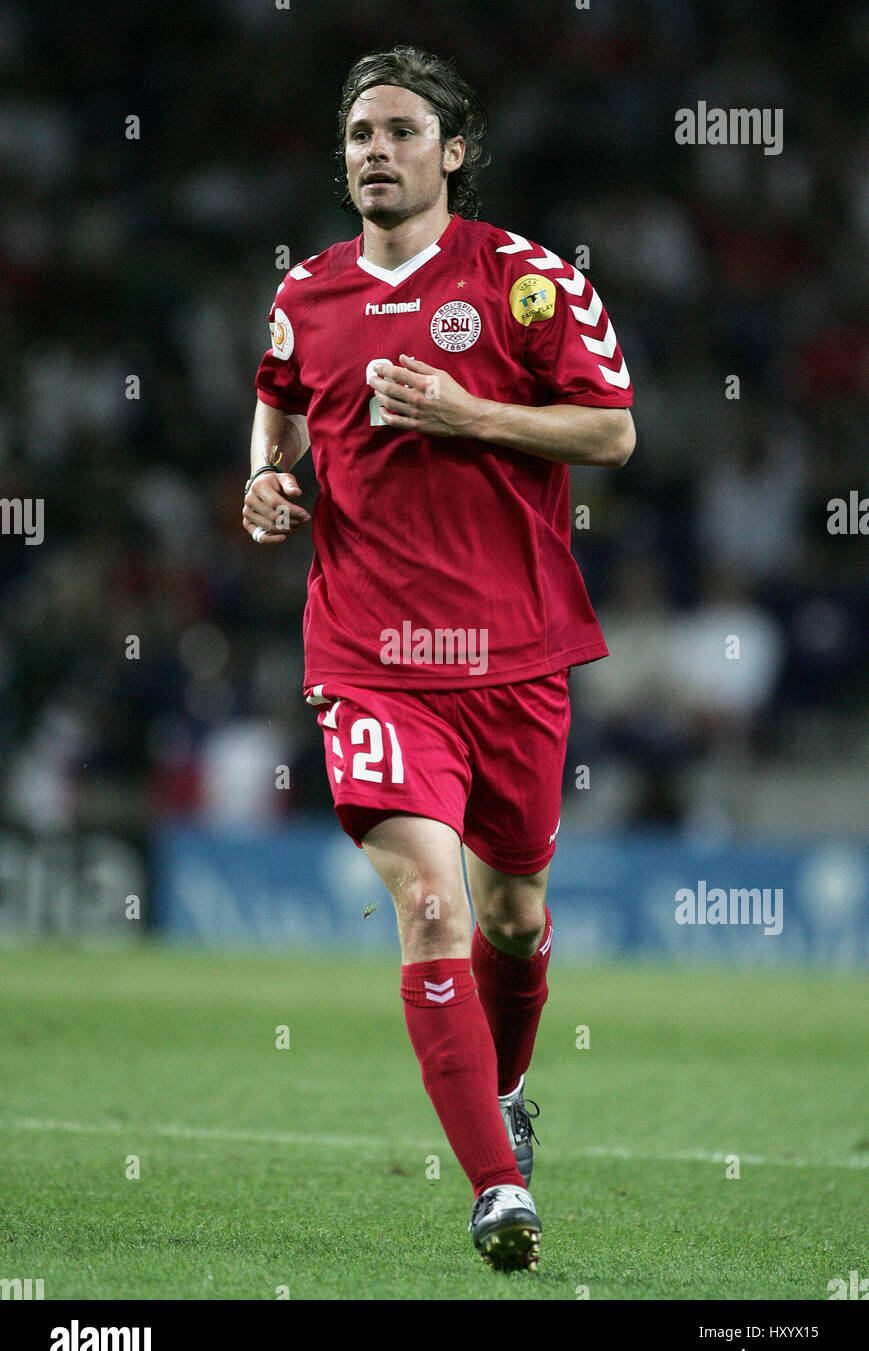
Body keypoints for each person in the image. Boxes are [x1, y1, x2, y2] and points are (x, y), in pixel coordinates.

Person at [244, 45, 635, 1272]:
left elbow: (611, 429)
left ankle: (504, 1086)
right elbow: (280, 389)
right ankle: (495, 1188)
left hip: (512, 655)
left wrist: (473, 416)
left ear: (452, 151)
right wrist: (264, 473)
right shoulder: (306, 292)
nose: (375, 151)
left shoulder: (525, 286)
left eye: (400, 131)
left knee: (511, 922)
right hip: (366, 653)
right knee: (429, 902)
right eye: (359, 133)